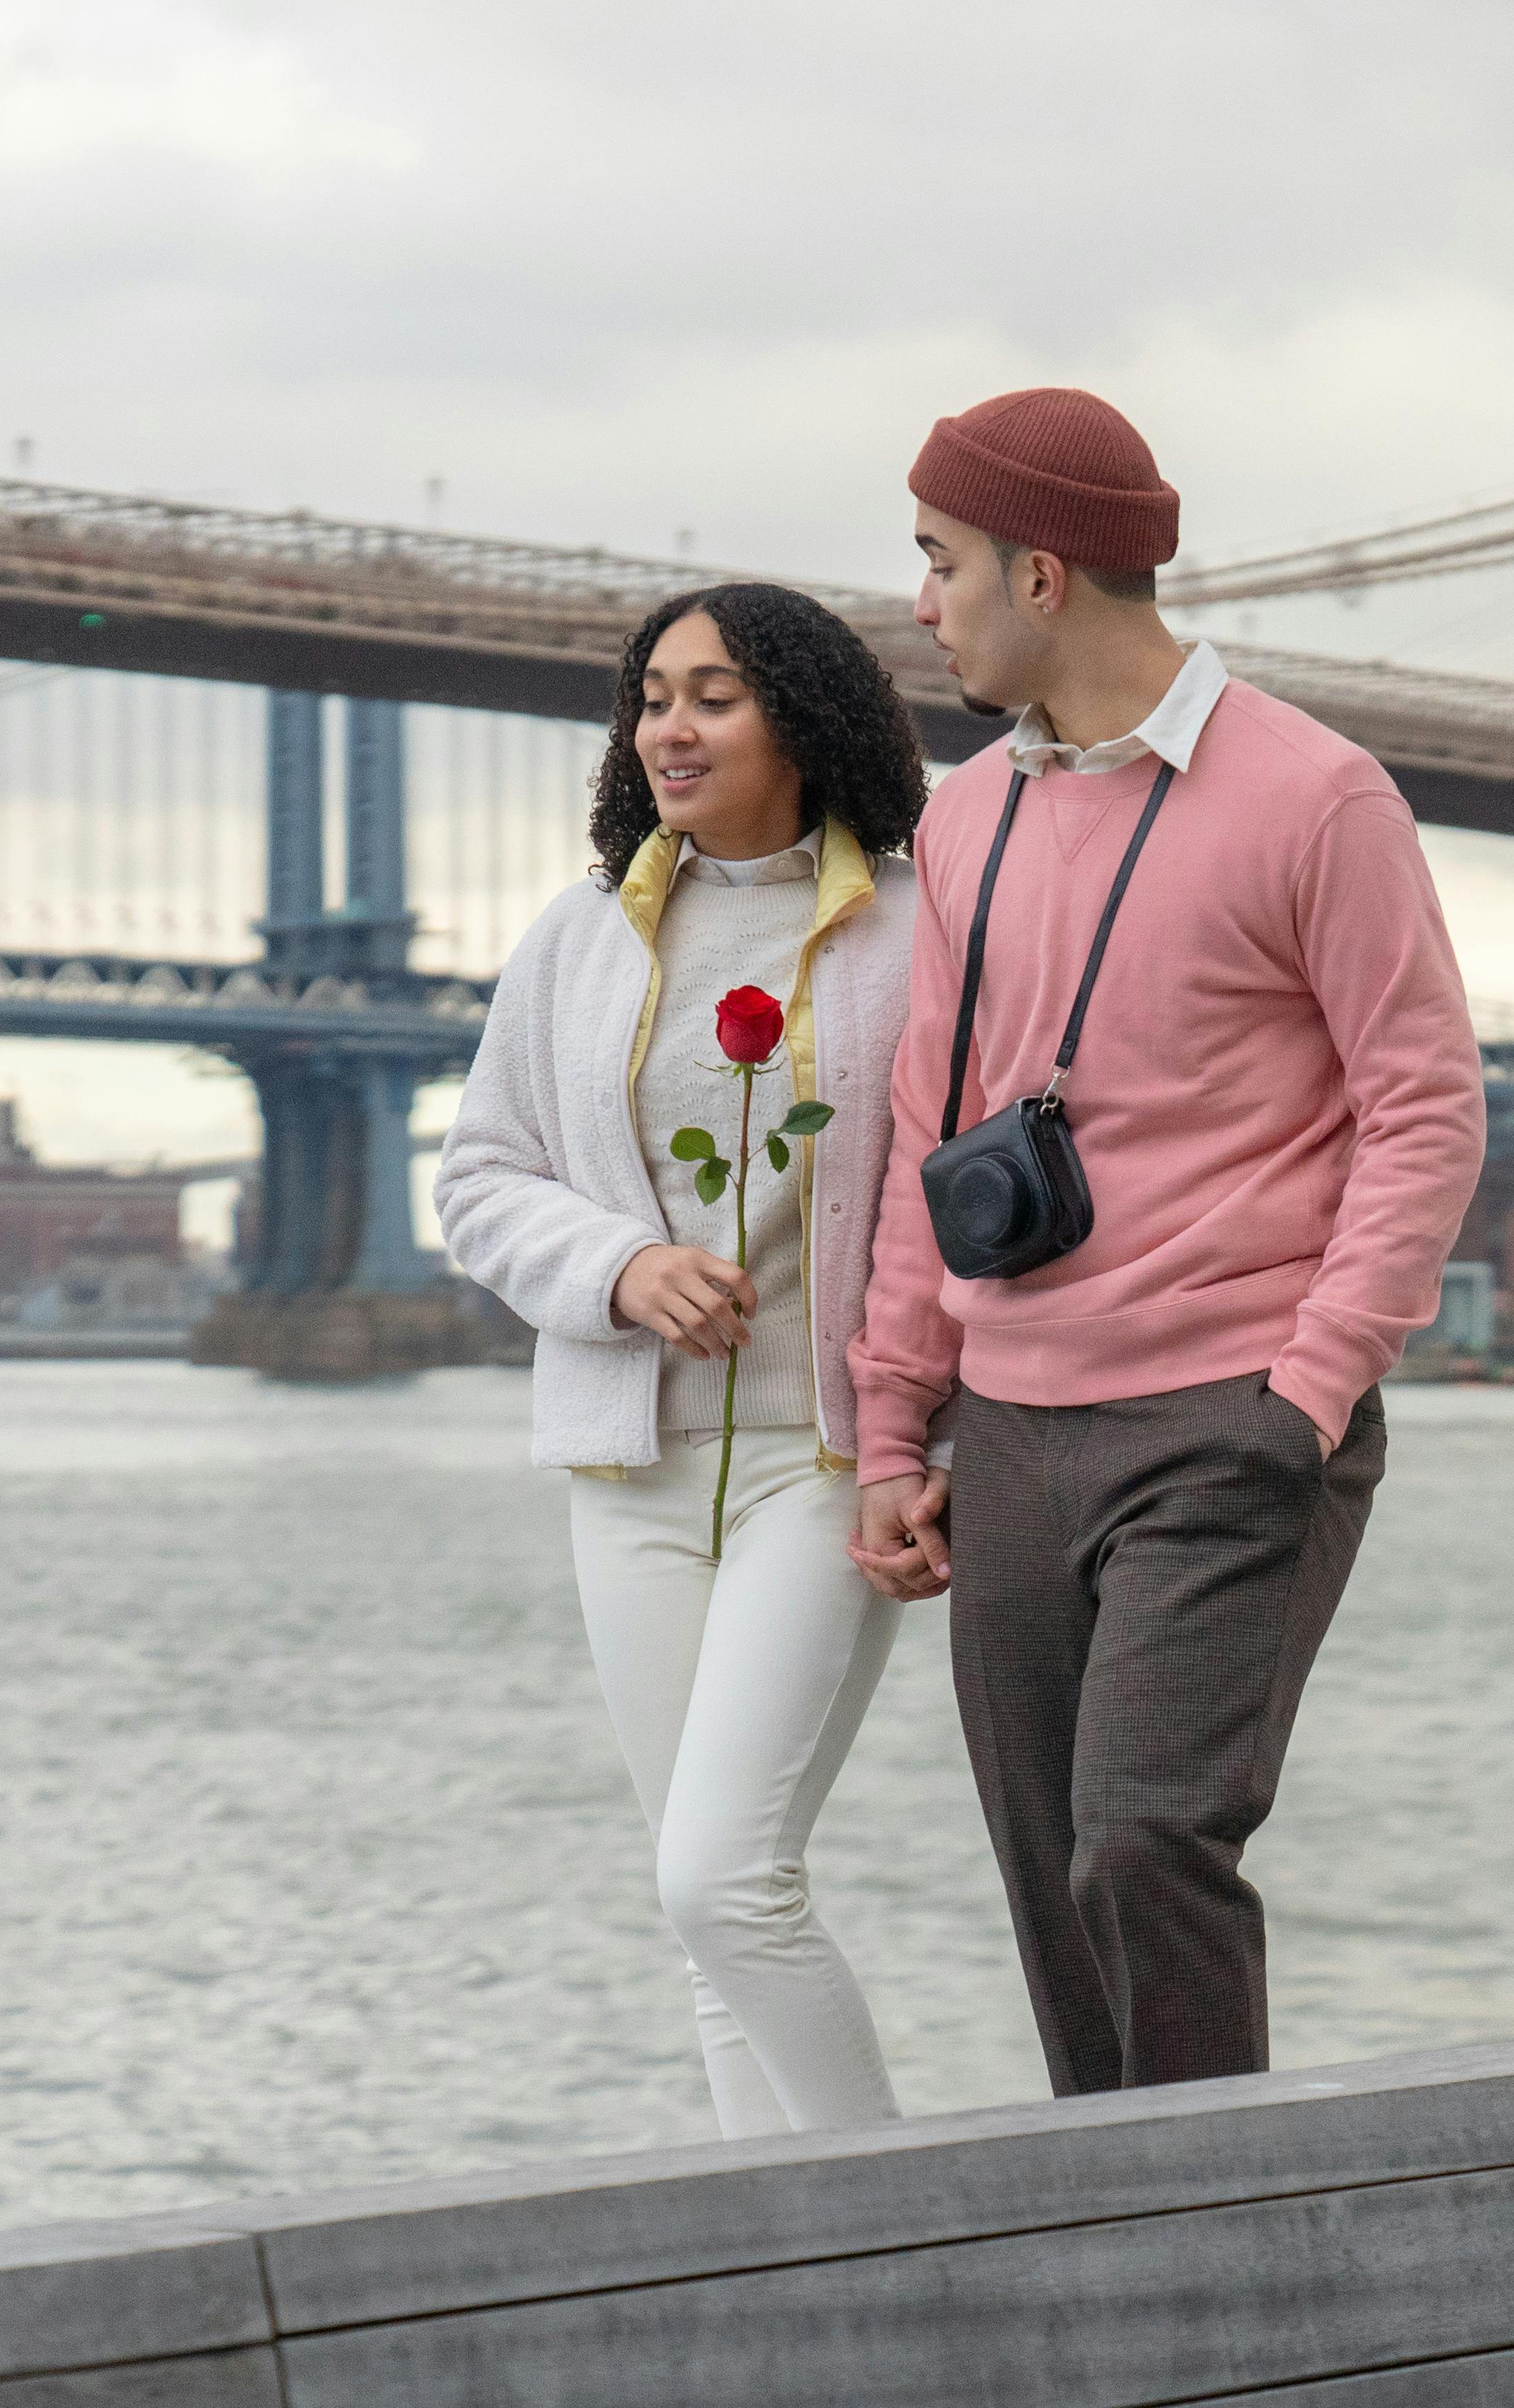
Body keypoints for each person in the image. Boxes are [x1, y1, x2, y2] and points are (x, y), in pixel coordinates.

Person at [848, 388, 1485, 2096]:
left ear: (1041, 574)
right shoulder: (964, 818)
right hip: (1014, 1430)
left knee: (1143, 1846)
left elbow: (1423, 1112)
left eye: (938, 560)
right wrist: (899, 1422)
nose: (921, 600)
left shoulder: (1318, 800)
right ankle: (1119, 2261)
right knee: (1057, 1896)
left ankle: (1239, 2258)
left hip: (1229, 1417)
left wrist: (1312, 1387)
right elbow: (931, 1127)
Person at [435, 582, 931, 2135]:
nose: (670, 725)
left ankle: (912, 2233)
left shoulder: (924, 926)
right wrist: (621, 1265)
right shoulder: (580, 936)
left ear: (804, 717)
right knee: (703, 1920)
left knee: (723, 1875)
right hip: (630, 1471)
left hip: (823, 1460)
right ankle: (796, 2283)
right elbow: (481, 1179)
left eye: (715, 695)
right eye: (654, 694)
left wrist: (938, 1444)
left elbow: (952, 1194)